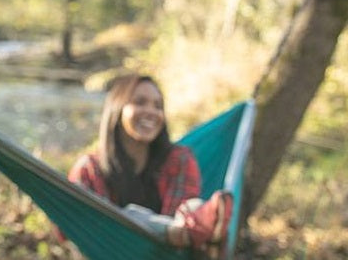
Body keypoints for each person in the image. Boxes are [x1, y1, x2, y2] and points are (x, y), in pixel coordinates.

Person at [68, 74, 233, 254]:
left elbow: (178, 216)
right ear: (117, 109)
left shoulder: (180, 159)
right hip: (113, 250)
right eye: (139, 102)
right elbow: (72, 228)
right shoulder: (89, 169)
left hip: (167, 253)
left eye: (158, 106)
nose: (151, 112)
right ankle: (192, 231)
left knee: (192, 207)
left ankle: (193, 226)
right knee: (129, 216)